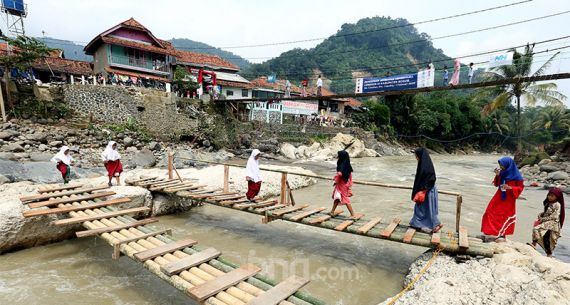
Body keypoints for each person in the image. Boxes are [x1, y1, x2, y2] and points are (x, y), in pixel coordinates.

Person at [481, 157, 524, 242]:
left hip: (509, 198)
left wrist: (510, 187)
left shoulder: (517, 176)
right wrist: (497, 175)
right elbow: (497, 184)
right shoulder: (502, 173)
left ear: (508, 165)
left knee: (505, 215)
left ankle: (502, 235)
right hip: (499, 195)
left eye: (502, 165)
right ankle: (489, 232)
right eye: (500, 165)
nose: (501, 167)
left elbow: (520, 187)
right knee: (490, 211)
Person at [410, 148, 443, 233]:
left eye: (416, 156)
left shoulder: (425, 167)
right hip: (426, 190)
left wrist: (423, 190)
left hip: (427, 191)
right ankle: (417, 224)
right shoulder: (424, 164)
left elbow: (431, 179)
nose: (416, 157)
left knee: (428, 209)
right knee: (423, 209)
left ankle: (435, 225)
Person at [529, 188, 565, 257]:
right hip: (546, 222)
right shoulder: (547, 203)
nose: (550, 197)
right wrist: (541, 214)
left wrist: (543, 219)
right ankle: (538, 246)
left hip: (553, 223)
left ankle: (544, 250)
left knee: (541, 233)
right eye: (549, 195)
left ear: (557, 197)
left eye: (552, 196)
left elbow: (554, 216)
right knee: (541, 234)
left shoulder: (557, 205)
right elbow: (547, 212)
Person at [330, 150, 359, 218]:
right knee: (337, 198)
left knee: (345, 199)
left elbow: (339, 174)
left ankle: (352, 214)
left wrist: (336, 180)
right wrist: (349, 183)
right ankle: (332, 211)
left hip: (341, 184)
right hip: (344, 183)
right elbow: (350, 175)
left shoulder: (341, 164)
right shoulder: (347, 164)